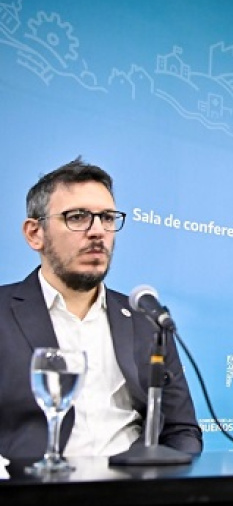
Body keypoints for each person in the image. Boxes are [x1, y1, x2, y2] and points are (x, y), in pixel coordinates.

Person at [0, 157, 202, 459]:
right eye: (77, 217)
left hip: (131, 482)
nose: (97, 231)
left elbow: (182, 431)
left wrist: (155, 478)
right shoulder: (4, 312)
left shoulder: (147, 321)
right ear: (34, 233)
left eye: (107, 218)